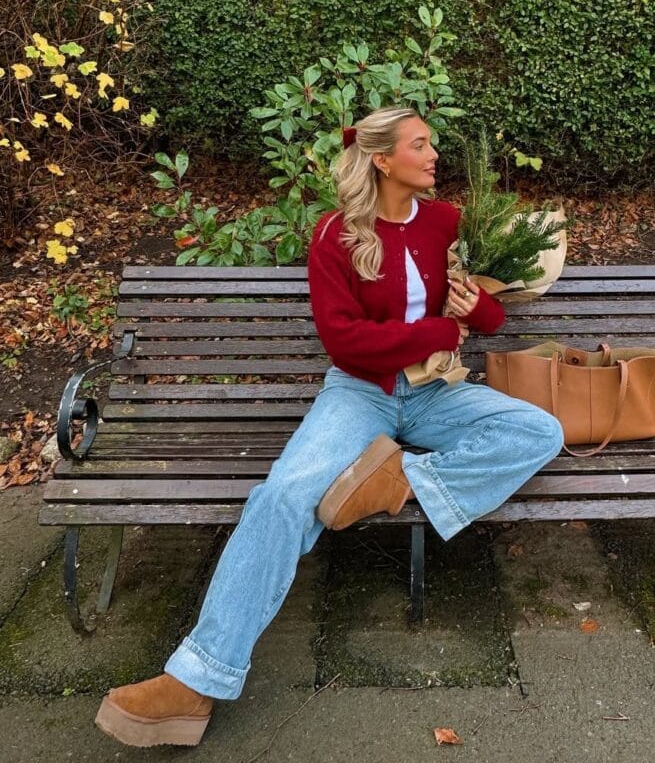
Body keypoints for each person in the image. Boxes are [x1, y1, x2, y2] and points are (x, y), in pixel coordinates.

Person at [94, 105, 563, 748]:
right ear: (382, 159)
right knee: (283, 496)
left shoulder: (446, 223)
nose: (433, 157)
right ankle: (195, 680)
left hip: (436, 393)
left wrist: (473, 306)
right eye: (419, 146)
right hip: (360, 395)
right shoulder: (334, 235)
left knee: (538, 433)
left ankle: (397, 478)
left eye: (432, 145)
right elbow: (346, 344)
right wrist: (434, 329)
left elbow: (488, 321)